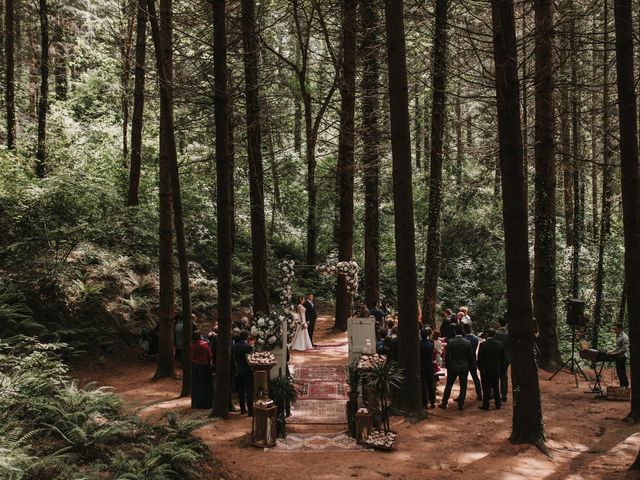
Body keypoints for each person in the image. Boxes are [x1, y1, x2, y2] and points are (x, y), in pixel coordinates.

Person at [439, 324, 475, 410]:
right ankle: (461, 405)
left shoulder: (451, 342)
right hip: (464, 367)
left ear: (454, 331)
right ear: (462, 331)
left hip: (452, 367)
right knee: (463, 386)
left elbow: (447, 357)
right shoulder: (467, 343)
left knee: (449, 385)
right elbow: (471, 356)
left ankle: (444, 403)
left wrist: (448, 366)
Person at [477, 329, 505, 410]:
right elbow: (503, 359)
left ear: (487, 335)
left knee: (486, 389)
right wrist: (501, 369)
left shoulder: (483, 345)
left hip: (485, 371)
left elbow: (480, 359)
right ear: (495, 335)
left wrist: (481, 369)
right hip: (496, 370)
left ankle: (486, 405)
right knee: (496, 387)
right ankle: (498, 404)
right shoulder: (500, 344)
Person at [233, 330, 254, 415]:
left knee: (241, 391)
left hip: (238, 370)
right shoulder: (248, 347)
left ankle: (242, 409)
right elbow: (250, 360)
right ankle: (250, 411)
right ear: (247, 337)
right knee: (249, 391)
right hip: (247, 371)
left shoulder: (235, 346)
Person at [191, 331, 214, 409]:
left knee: (196, 385)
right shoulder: (204, 345)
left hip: (194, 366)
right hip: (203, 367)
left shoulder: (191, 344)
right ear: (199, 336)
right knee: (204, 385)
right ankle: (205, 404)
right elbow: (209, 355)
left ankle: (195, 403)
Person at [463, 323, 482, 401]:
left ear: (464, 330)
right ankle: (479, 394)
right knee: (475, 378)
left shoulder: (464, 339)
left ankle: (462, 396)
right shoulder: (475, 338)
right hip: (473, 360)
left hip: (465, 361)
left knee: (463, 379)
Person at [608, 323, 629, 388]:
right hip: (618, 356)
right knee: (619, 372)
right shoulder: (618, 336)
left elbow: (624, 349)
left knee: (622, 372)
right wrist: (612, 352)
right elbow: (618, 348)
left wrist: (614, 353)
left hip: (622, 357)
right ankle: (622, 387)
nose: (615, 330)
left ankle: (625, 386)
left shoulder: (624, 337)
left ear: (620, 329)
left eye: (616, 329)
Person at [420, 328, 437, 409]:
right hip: (430, 366)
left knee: (423, 385)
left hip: (422, 366)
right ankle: (433, 402)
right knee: (431, 385)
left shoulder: (419, 344)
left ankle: (425, 403)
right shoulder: (430, 344)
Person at [494, 317, 510, 402]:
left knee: (495, 376)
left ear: (499, 323)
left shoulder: (496, 333)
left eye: (497, 322)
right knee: (504, 376)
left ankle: (495, 394)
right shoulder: (509, 333)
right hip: (506, 357)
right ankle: (504, 395)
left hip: (496, 357)